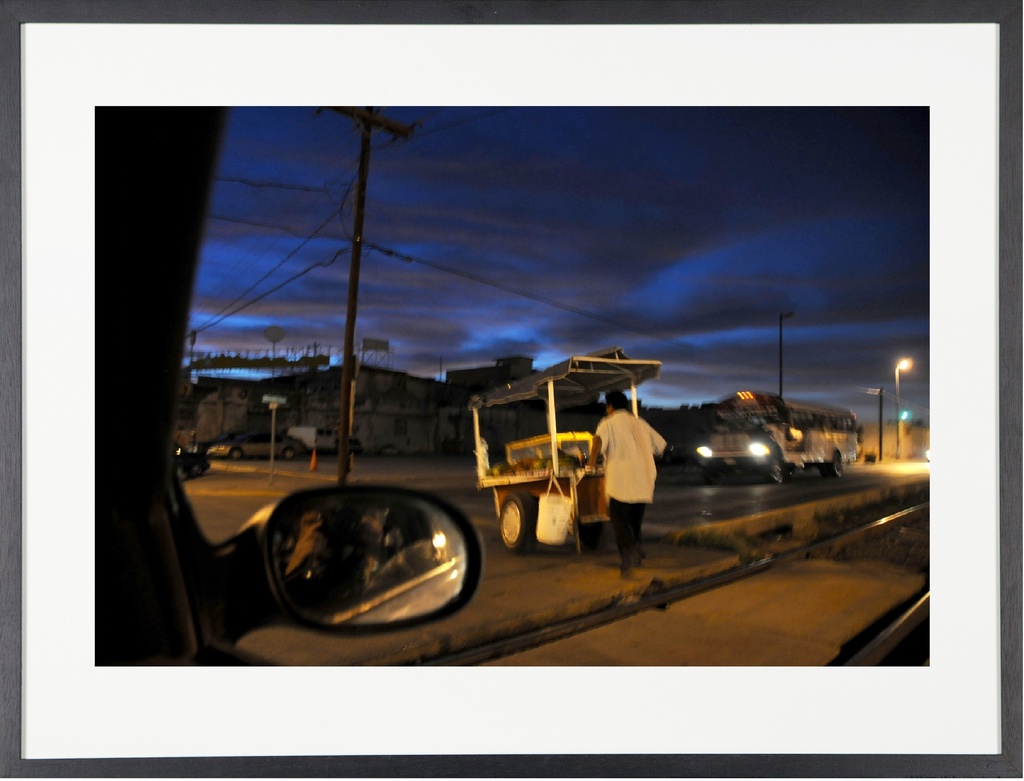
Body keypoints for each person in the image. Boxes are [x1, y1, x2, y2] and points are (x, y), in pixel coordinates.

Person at [587, 390, 667, 576]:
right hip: (644, 480)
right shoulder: (640, 423)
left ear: (610, 407)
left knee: (619, 520)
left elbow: (598, 440)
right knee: (634, 521)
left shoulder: (607, 423)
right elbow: (661, 446)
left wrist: (591, 463)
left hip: (621, 480)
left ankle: (627, 554)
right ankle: (637, 548)